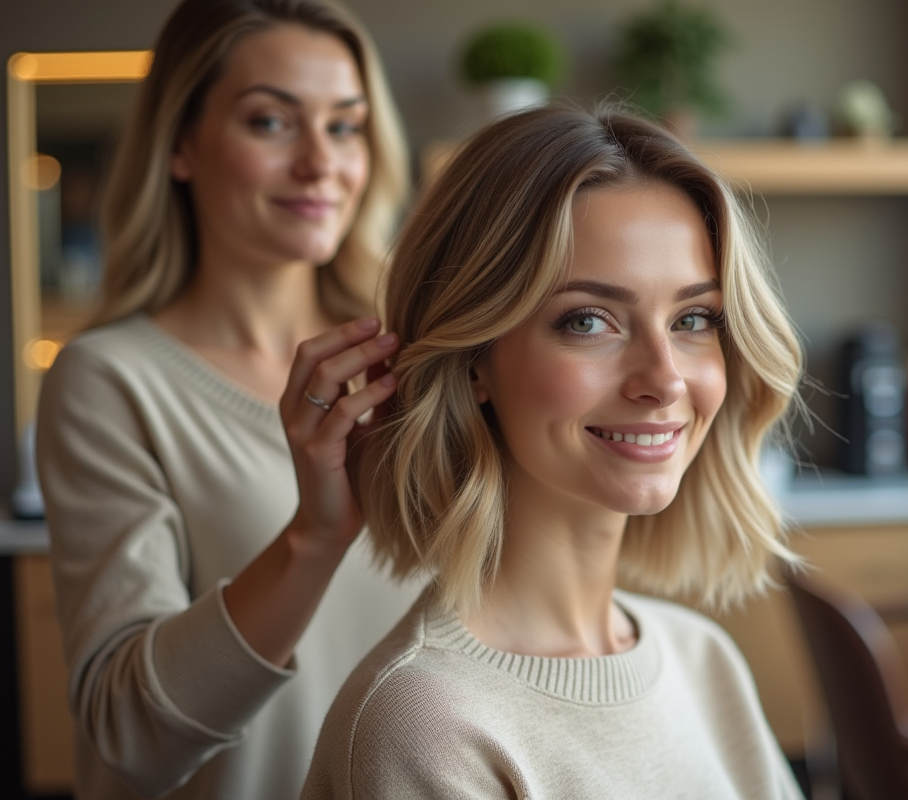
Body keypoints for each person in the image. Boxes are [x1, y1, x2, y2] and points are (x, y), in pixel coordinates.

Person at [302, 105, 807, 799]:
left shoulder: (704, 659)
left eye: (693, 319)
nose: (663, 380)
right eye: (589, 321)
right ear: (475, 359)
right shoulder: (423, 725)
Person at [34, 1, 422, 798]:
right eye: (272, 123)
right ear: (181, 145)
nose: (321, 163)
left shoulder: (420, 358)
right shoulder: (110, 380)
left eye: (345, 127)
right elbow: (131, 735)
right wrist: (315, 537)